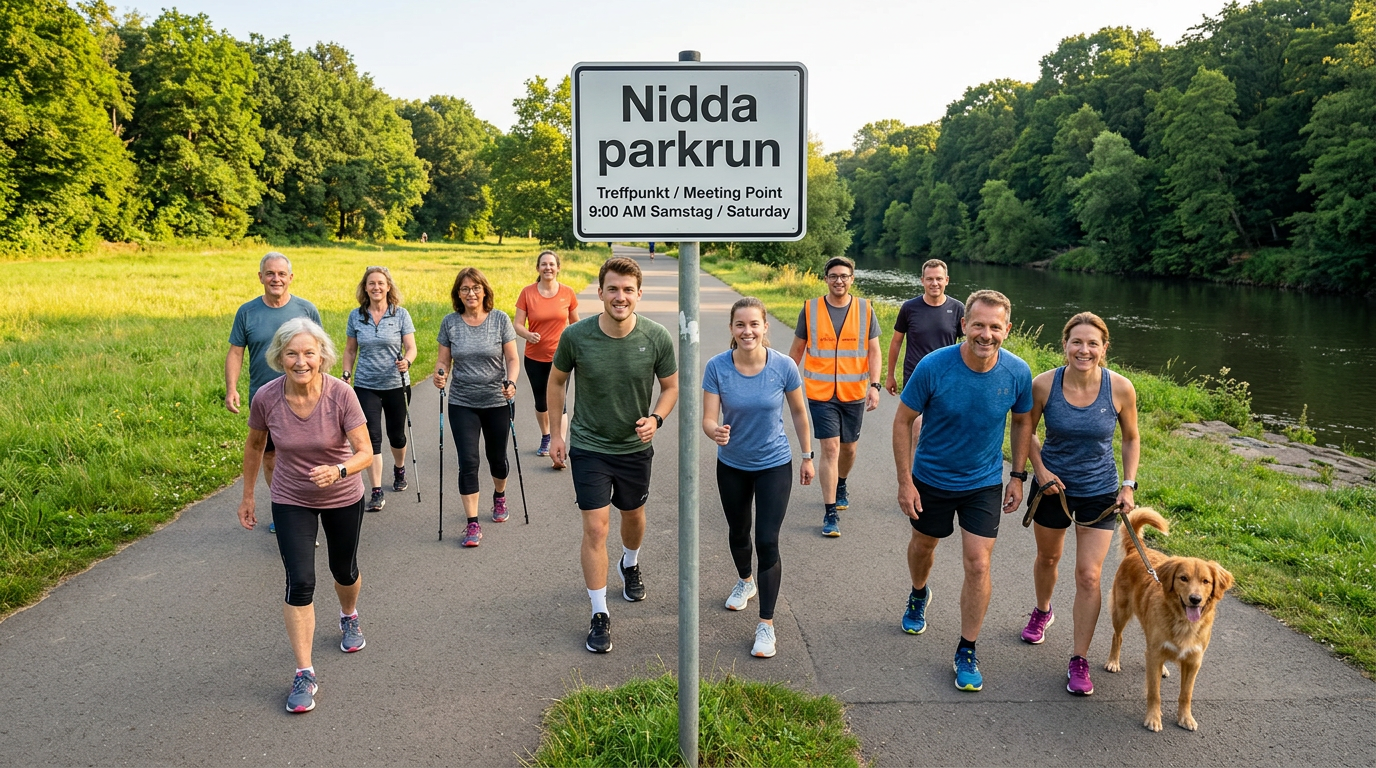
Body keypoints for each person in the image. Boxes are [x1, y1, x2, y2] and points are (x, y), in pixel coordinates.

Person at [893, 289, 1033, 693]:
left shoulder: (1017, 372)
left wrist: (1018, 475)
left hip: (983, 482)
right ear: (963, 325)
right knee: (924, 546)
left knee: (979, 563)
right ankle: (919, 593)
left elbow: (1022, 422)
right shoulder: (934, 367)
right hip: (932, 477)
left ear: (1007, 329)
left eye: (994, 326)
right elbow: (903, 421)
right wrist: (905, 481)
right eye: (978, 325)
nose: (985, 334)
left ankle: (967, 648)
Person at [237, 318, 373, 714]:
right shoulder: (266, 397)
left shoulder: (341, 395)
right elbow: (255, 445)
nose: (301, 361)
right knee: (300, 580)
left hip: (343, 492)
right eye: (292, 353)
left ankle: (349, 615)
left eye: (309, 353)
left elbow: (364, 450)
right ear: (280, 357)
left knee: (343, 569)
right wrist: (248, 496)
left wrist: (340, 470)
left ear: (322, 356)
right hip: (291, 496)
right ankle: (304, 672)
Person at [548, 256, 678, 654]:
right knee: (595, 528)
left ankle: (631, 562)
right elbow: (556, 382)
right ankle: (599, 613)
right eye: (612, 289)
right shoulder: (577, 336)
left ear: (638, 294)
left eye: (627, 290)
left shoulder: (656, 337)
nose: (619, 297)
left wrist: (656, 418)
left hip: (635, 448)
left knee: (633, 517)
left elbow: (671, 388)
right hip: (589, 445)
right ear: (600, 292)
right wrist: (557, 433)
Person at [1020, 312, 1140, 697]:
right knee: (1048, 559)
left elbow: (1130, 439)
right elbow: (1024, 429)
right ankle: (1042, 610)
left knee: (1089, 575)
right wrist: (1037, 470)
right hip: (1053, 488)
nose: (1083, 350)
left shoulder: (1120, 389)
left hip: (1100, 492)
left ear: (1104, 348)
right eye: (1077, 342)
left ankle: (1079, 659)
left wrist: (1128, 485)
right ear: (1065, 345)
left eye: (1092, 343)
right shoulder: (1043, 385)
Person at [702, 297, 813, 659]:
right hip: (732, 463)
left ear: (765, 327)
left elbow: (798, 412)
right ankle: (745, 581)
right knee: (738, 531)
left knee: (767, 539)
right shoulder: (717, 367)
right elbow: (707, 418)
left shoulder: (783, 366)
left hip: (774, 464)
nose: (747, 331)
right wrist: (714, 431)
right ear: (732, 330)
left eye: (754, 324)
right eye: (740, 325)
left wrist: (808, 457)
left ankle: (766, 624)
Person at [226, 252, 322, 534]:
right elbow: (235, 351)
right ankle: (285, 507)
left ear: (290, 278)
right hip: (265, 399)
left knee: (307, 454)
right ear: (260, 277)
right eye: (270, 273)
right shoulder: (247, 312)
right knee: (270, 456)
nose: (275, 279)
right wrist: (231, 388)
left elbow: (320, 354)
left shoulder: (306, 310)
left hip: (305, 397)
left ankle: (309, 508)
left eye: (281, 274)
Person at [788, 256, 881, 537]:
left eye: (844, 276)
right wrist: (785, 385)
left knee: (849, 448)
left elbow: (874, 351)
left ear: (852, 279)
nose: (839, 280)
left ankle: (841, 482)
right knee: (830, 449)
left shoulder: (865, 309)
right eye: (833, 276)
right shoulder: (810, 309)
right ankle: (830, 514)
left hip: (853, 392)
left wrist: (874, 386)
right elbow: (796, 352)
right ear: (825, 279)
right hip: (820, 393)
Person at [433, 267, 520, 547]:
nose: (471, 293)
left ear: (484, 290)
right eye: (465, 289)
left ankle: (499, 496)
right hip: (462, 402)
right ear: (458, 294)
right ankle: (472, 524)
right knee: (468, 461)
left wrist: (512, 382)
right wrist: (439, 374)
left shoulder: (499, 320)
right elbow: (443, 360)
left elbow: (513, 360)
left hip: (496, 401)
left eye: (475, 288)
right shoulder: (450, 323)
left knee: (497, 459)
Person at [343, 266, 417, 512]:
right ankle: (376, 491)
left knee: (396, 435)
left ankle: (399, 469)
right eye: (371, 283)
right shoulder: (356, 316)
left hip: (396, 384)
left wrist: (407, 361)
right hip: (366, 385)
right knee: (371, 438)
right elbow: (350, 350)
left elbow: (411, 348)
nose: (376, 287)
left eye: (380, 283)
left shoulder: (400, 314)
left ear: (388, 286)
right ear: (365, 288)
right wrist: (346, 373)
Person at [884, 259, 964, 454]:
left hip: (946, 378)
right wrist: (890, 375)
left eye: (938, 279)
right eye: (929, 279)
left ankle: (935, 474)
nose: (934, 283)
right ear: (922, 281)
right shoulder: (910, 308)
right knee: (914, 430)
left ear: (946, 280)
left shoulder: (957, 309)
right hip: (914, 377)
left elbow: (967, 346)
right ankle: (912, 478)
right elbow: (896, 342)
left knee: (941, 430)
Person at [514, 250, 580, 464]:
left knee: (560, 402)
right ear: (538, 268)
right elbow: (517, 324)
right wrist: (527, 334)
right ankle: (546, 436)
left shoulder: (568, 293)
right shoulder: (527, 293)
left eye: (552, 264)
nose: (548, 268)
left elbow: (576, 325)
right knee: (542, 402)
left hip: (561, 358)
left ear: (558, 268)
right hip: (534, 357)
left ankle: (559, 444)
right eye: (544, 264)